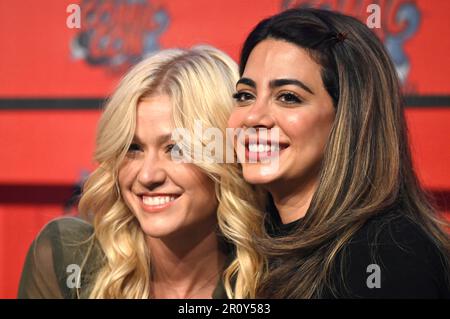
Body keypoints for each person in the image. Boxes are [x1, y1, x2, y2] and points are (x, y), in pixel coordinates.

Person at [222, 8, 450, 298]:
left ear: (349, 118)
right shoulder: (247, 253)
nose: (253, 117)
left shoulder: (387, 256)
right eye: (245, 95)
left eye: (288, 97)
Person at [18, 45, 246, 298]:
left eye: (176, 149)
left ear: (227, 154)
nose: (147, 176)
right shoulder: (68, 259)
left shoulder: (274, 279)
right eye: (133, 148)